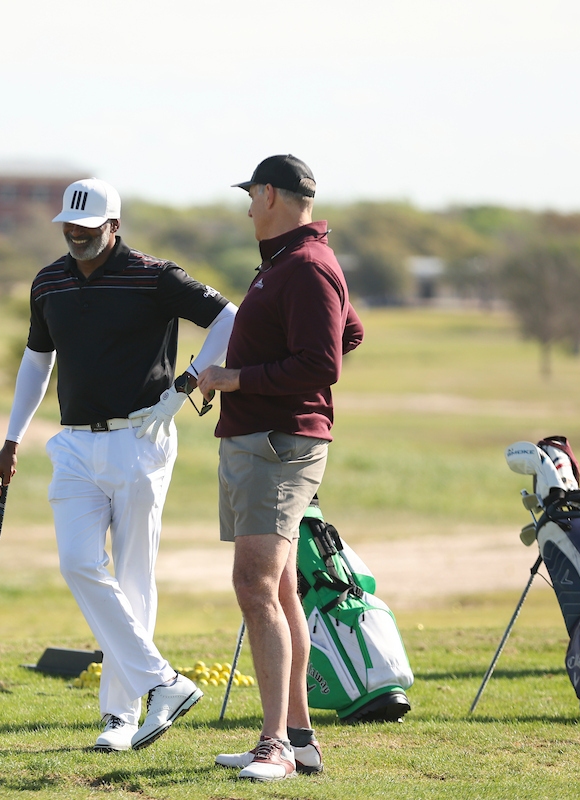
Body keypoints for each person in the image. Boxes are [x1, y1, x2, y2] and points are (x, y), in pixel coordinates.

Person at [0, 177, 238, 751]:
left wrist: (189, 383)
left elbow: (229, 317)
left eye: (87, 226)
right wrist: (12, 438)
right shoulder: (49, 280)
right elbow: (36, 360)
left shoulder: (155, 276)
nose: (74, 234)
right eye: (68, 226)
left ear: (114, 226)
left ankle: (121, 717)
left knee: (133, 576)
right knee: (78, 564)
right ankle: (163, 684)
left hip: (140, 440)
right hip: (73, 444)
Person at [197, 155, 363, 781]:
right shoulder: (289, 265)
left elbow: (325, 360)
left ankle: (274, 747)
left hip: (276, 446)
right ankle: (298, 738)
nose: (246, 207)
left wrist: (238, 377)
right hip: (262, 440)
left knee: (254, 586)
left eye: (251, 194)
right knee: (282, 588)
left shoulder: (304, 267)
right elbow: (350, 333)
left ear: (269, 194)